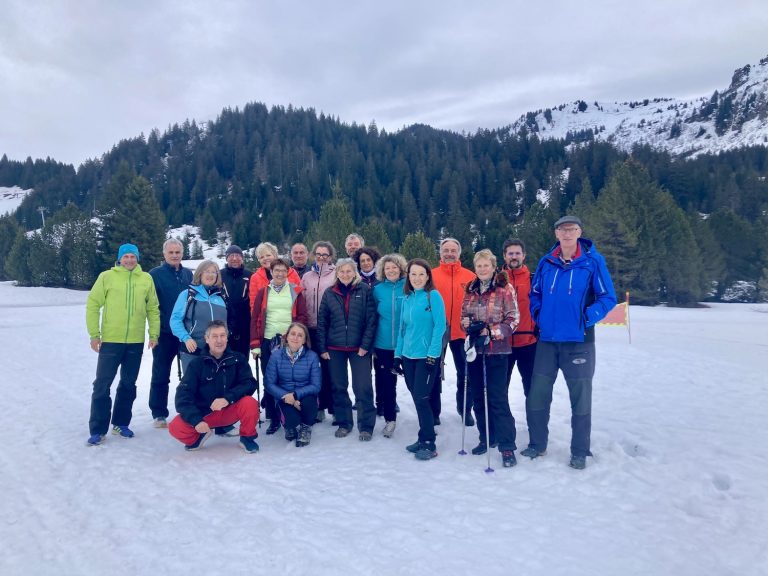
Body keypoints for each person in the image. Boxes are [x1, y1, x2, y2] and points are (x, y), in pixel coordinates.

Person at [523, 215, 617, 470]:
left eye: (571, 229)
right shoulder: (547, 262)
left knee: (581, 398)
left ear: (579, 232)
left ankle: (579, 450)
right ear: (556, 234)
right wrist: (538, 314)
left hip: (579, 342)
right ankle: (537, 444)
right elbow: (535, 293)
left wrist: (586, 317)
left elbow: (608, 297)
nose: (566, 234)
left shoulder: (592, 262)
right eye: (562, 230)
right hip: (547, 341)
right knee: (538, 395)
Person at [85, 243, 160, 446]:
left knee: (128, 384)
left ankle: (120, 423)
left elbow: (153, 308)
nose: (129, 260)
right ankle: (98, 429)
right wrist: (94, 334)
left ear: (137, 259)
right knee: (102, 384)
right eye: (125, 256)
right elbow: (93, 304)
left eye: (132, 257)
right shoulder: (107, 277)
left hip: (135, 342)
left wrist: (154, 334)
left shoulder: (145, 279)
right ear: (119, 258)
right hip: (111, 341)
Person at [460, 249, 520, 468]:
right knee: (478, 397)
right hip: (475, 350)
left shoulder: (504, 288)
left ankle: (506, 445)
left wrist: (491, 331)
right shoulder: (471, 288)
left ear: (494, 267)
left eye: (486, 265)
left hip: (497, 350)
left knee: (497, 398)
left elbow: (513, 319)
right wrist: (466, 325)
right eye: (479, 266)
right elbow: (463, 315)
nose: (482, 269)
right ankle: (486, 436)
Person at [169, 320, 260, 453]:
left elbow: (249, 383)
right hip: (205, 415)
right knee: (175, 426)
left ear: (227, 338)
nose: (219, 340)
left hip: (230, 410)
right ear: (207, 339)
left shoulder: (238, 359)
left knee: (250, 403)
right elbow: (183, 395)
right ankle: (198, 436)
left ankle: (247, 438)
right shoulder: (197, 364)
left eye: (222, 335)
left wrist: (228, 398)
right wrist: (196, 421)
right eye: (214, 336)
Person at [317, 258, 378, 440]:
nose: (345, 275)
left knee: (363, 387)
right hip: (334, 347)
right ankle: (344, 423)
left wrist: (365, 346)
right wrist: (323, 348)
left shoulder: (365, 290)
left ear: (355, 273)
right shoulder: (329, 293)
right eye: (342, 271)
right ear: (337, 273)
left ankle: (366, 426)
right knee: (338, 386)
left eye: (349, 271)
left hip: (358, 348)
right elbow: (322, 322)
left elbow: (371, 321)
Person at [249, 257, 308, 435]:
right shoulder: (263, 292)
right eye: (276, 271)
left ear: (288, 272)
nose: (280, 274)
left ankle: (291, 415)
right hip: (268, 340)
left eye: (283, 270)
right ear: (271, 272)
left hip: (290, 342)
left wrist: (297, 336)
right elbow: (255, 318)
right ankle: (273, 418)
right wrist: (255, 344)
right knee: (271, 380)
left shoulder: (295, 290)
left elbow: (303, 316)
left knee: (291, 379)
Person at [394, 259, 446, 461]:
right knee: (416, 396)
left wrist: (433, 355)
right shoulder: (407, 298)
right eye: (413, 274)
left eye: (421, 274)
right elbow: (402, 330)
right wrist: (397, 355)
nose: (417, 278)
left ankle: (429, 442)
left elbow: (439, 327)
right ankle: (423, 435)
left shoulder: (433, 296)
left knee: (422, 398)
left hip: (426, 357)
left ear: (428, 276)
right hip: (408, 357)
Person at [148, 238, 193, 428]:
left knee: (191, 373)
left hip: (186, 332)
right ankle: (159, 413)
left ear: (182, 254)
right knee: (161, 373)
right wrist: (154, 333)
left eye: (178, 252)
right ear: (164, 254)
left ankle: (191, 409)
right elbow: (150, 305)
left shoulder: (189, 274)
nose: (174, 255)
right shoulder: (155, 275)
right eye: (171, 252)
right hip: (164, 333)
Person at [432, 237, 476, 426]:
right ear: (440, 253)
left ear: (459, 253)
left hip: (462, 331)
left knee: (465, 372)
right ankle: (434, 411)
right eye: (446, 250)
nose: (449, 253)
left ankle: (465, 408)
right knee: (433, 371)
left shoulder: (470, 276)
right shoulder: (431, 275)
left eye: (453, 250)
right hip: (437, 330)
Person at [264, 322, 321, 447]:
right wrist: (286, 396)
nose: (296, 337)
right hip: (284, 397)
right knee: (291, 420)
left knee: (310, 405)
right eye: (293, 334)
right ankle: (289, 426)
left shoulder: (312, 357)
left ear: (305, 340)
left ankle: (306, 427)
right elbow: (269, 383)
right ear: (287, 336)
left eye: (300, 335)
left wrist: (295, 395)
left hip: (304, 396)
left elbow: (316, 385)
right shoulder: (276, 356)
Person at [300, 241, 337, 422]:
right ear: (314, 255)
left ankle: (333, 405)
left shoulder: (336, 275)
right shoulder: (307, 276)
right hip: (310, 329)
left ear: (330, 257)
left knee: (331, 370)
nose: (322, 258)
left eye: (326, 255)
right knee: (313, 370)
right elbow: (300, 300)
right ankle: (318, 406)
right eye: (319, 254)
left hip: (329, 329)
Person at [170, 260, 228, 374]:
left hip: (217, 352)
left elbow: (227, 323)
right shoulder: (188, 295)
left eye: (214, 272)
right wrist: (186, 338)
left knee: (215, 388)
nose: (210, 275)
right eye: (207, 271)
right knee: (192, 387)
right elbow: (175, 320)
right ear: (200, 273)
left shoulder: (221, 297)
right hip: (193, 349)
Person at [372, 253, 407, 437]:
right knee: (387, 383)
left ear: (400, 268)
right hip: (383, 344)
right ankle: (390, 419)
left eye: (394, 267)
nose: (391, 270)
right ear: (382, 271)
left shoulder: (409, 287)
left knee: (413, 382)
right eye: (387, 268)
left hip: (407, 345)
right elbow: (372, 318)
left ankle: (428, 419)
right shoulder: (378, 290)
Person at [500, 239, 537, 398]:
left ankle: (535, 422)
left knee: (532, 388)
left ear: (524, 255)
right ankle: (502, 422)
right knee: (500, 388)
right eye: (510, 253)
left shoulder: (534, 279)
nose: (514, 257)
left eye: (517, 253)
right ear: (504, 256)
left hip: (528, 342)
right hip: (502, 343)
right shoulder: (496, 280)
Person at [220, 244, 252, 359]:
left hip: (244, 325)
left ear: (242, 258)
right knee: (225, 359)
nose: (234, 258)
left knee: (243, 359)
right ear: (226, 258)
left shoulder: (249, 275)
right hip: (225, 324)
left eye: (238, 255)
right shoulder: (219, 274)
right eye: (231, 255)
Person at [248, 242, 301, 310]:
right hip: (267, 319)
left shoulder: (291, 273)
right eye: (261, 257)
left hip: (290, 317)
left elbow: (300, 299)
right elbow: (254, 304)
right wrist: (257, 320)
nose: (265, 258)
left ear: (275, 255)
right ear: (259, 260)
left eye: (268, 255)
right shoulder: (255, 278)